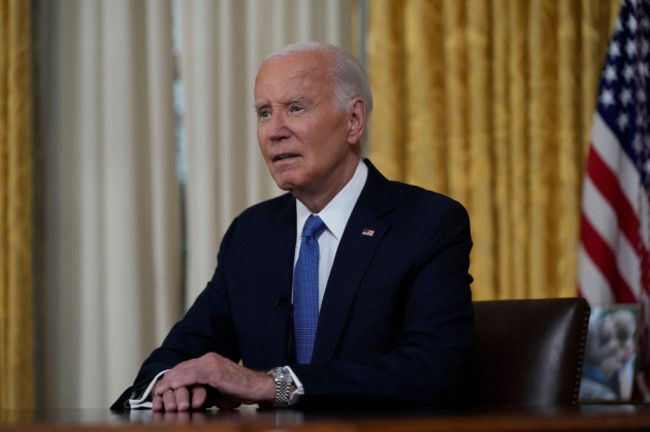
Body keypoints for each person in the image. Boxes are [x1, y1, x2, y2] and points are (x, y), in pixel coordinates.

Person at [111, 41, 474, 411]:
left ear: (353, 120)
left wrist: (273, 385)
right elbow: (177, 355)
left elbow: (433, 370)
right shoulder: (252, 234)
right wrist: (173, 387)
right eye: (264, 113)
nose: (274, 131)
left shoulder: (427, 223)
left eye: (295, 108)